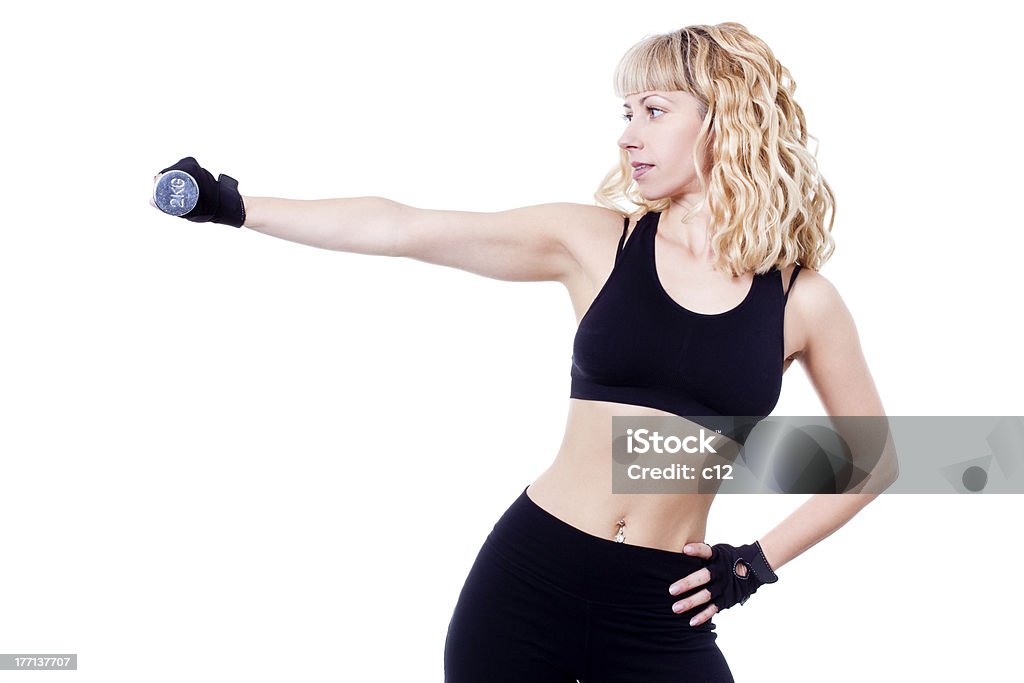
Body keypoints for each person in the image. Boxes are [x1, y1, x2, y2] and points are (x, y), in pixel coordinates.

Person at [150, 21, 895, 683]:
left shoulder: (803, 301)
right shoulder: (595, 242)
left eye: (654, 112)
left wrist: (754, 565)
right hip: (530, 580)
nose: (628, 134)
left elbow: (877, 459)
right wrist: (233, 206)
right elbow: (404, 227)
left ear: (724, 120)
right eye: (626, 113)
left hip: (660, 609)